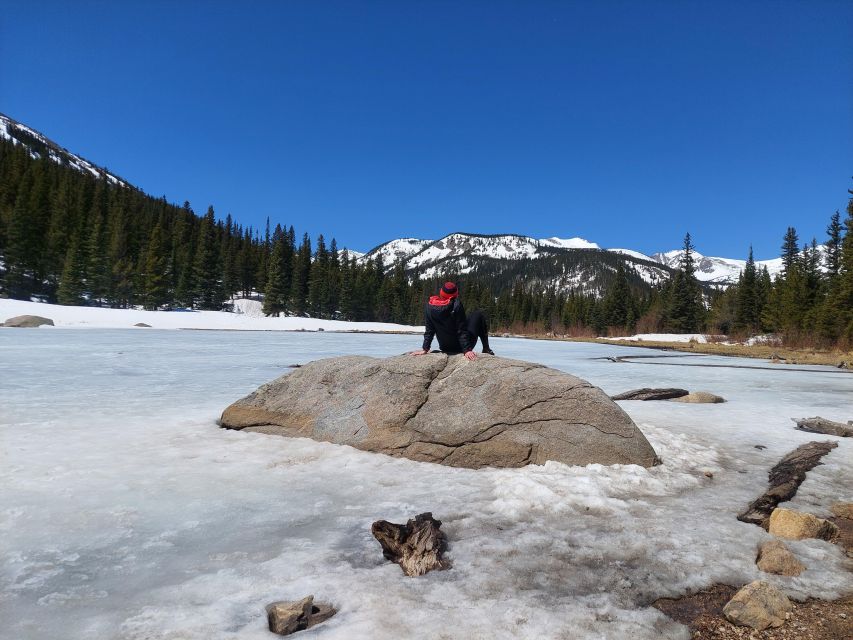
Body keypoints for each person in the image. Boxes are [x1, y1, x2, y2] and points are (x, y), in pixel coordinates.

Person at [410, 281, 494, 361]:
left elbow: (429, 330)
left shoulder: (430, 305)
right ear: (455, 295)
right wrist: (467, 350)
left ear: (441, 292)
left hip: (445, 347)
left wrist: (425, 348)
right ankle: (486, 348)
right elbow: (461, 330)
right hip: (460, 348)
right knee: (478, 315)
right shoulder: (456, 305)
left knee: (470, 317)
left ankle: (483, 348)